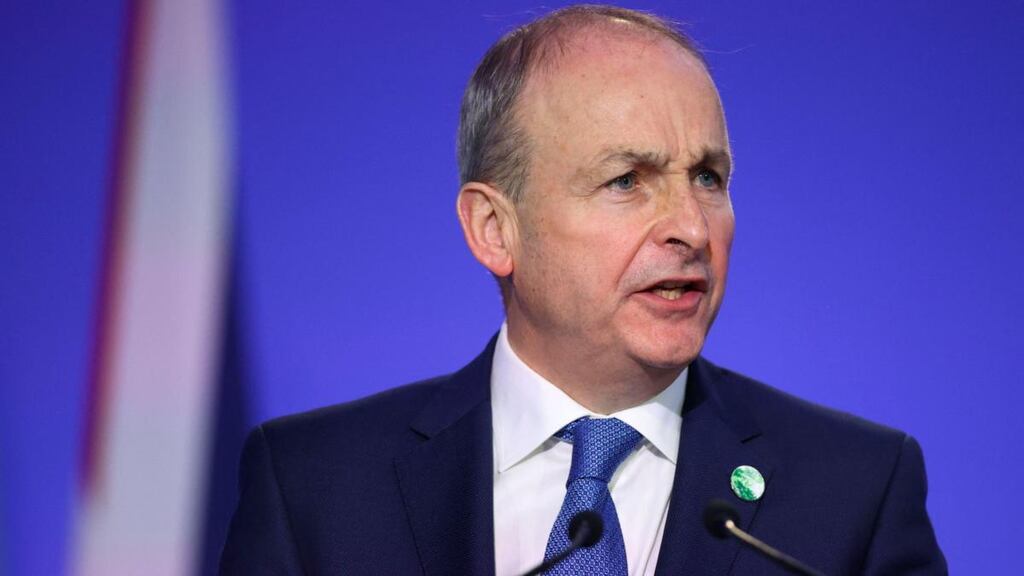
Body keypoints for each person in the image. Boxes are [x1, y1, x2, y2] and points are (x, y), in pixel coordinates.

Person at [220, 5, 946, 575]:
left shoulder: (852, 493)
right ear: (494, 229)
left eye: (708, 178)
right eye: (627, 180)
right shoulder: (316, 488)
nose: (691, 227)